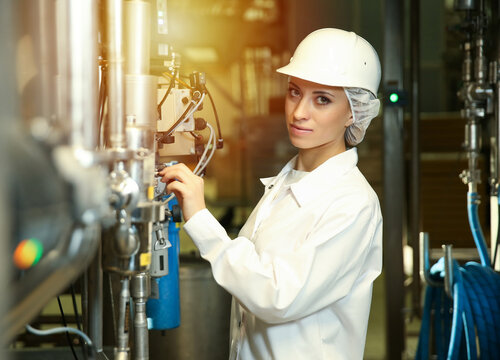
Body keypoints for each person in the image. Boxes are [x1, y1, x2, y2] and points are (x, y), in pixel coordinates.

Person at [159, 28, 383, 360]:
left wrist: (202, 220)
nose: (299, 112)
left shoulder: (352, 204)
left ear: (354, 111)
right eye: (295, 92)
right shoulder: (286, 181)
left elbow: (279, 296)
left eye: (322, 99)